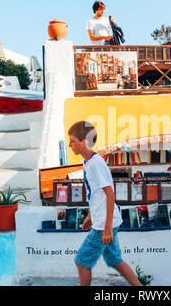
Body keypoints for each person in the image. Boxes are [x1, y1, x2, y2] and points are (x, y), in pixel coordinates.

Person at [68, 121, 141, 287]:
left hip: (104, 225)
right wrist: (90, 216)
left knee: (82, 261)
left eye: (72, 141)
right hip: (106, 220)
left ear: (84, 142)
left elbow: (110, 194)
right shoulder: (88, 162)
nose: (70, 145)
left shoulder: (95, 164)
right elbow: (96, 194)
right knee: (115, 259)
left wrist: (107, 227)